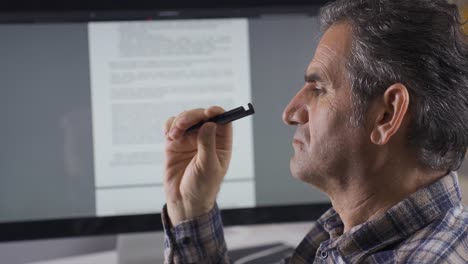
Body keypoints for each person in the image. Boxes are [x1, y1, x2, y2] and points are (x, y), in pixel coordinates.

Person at [161, 0, 468, 263]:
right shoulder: (346, 232)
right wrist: (191, 208)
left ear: (386, 114)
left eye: (318, 88)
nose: (290, 113)